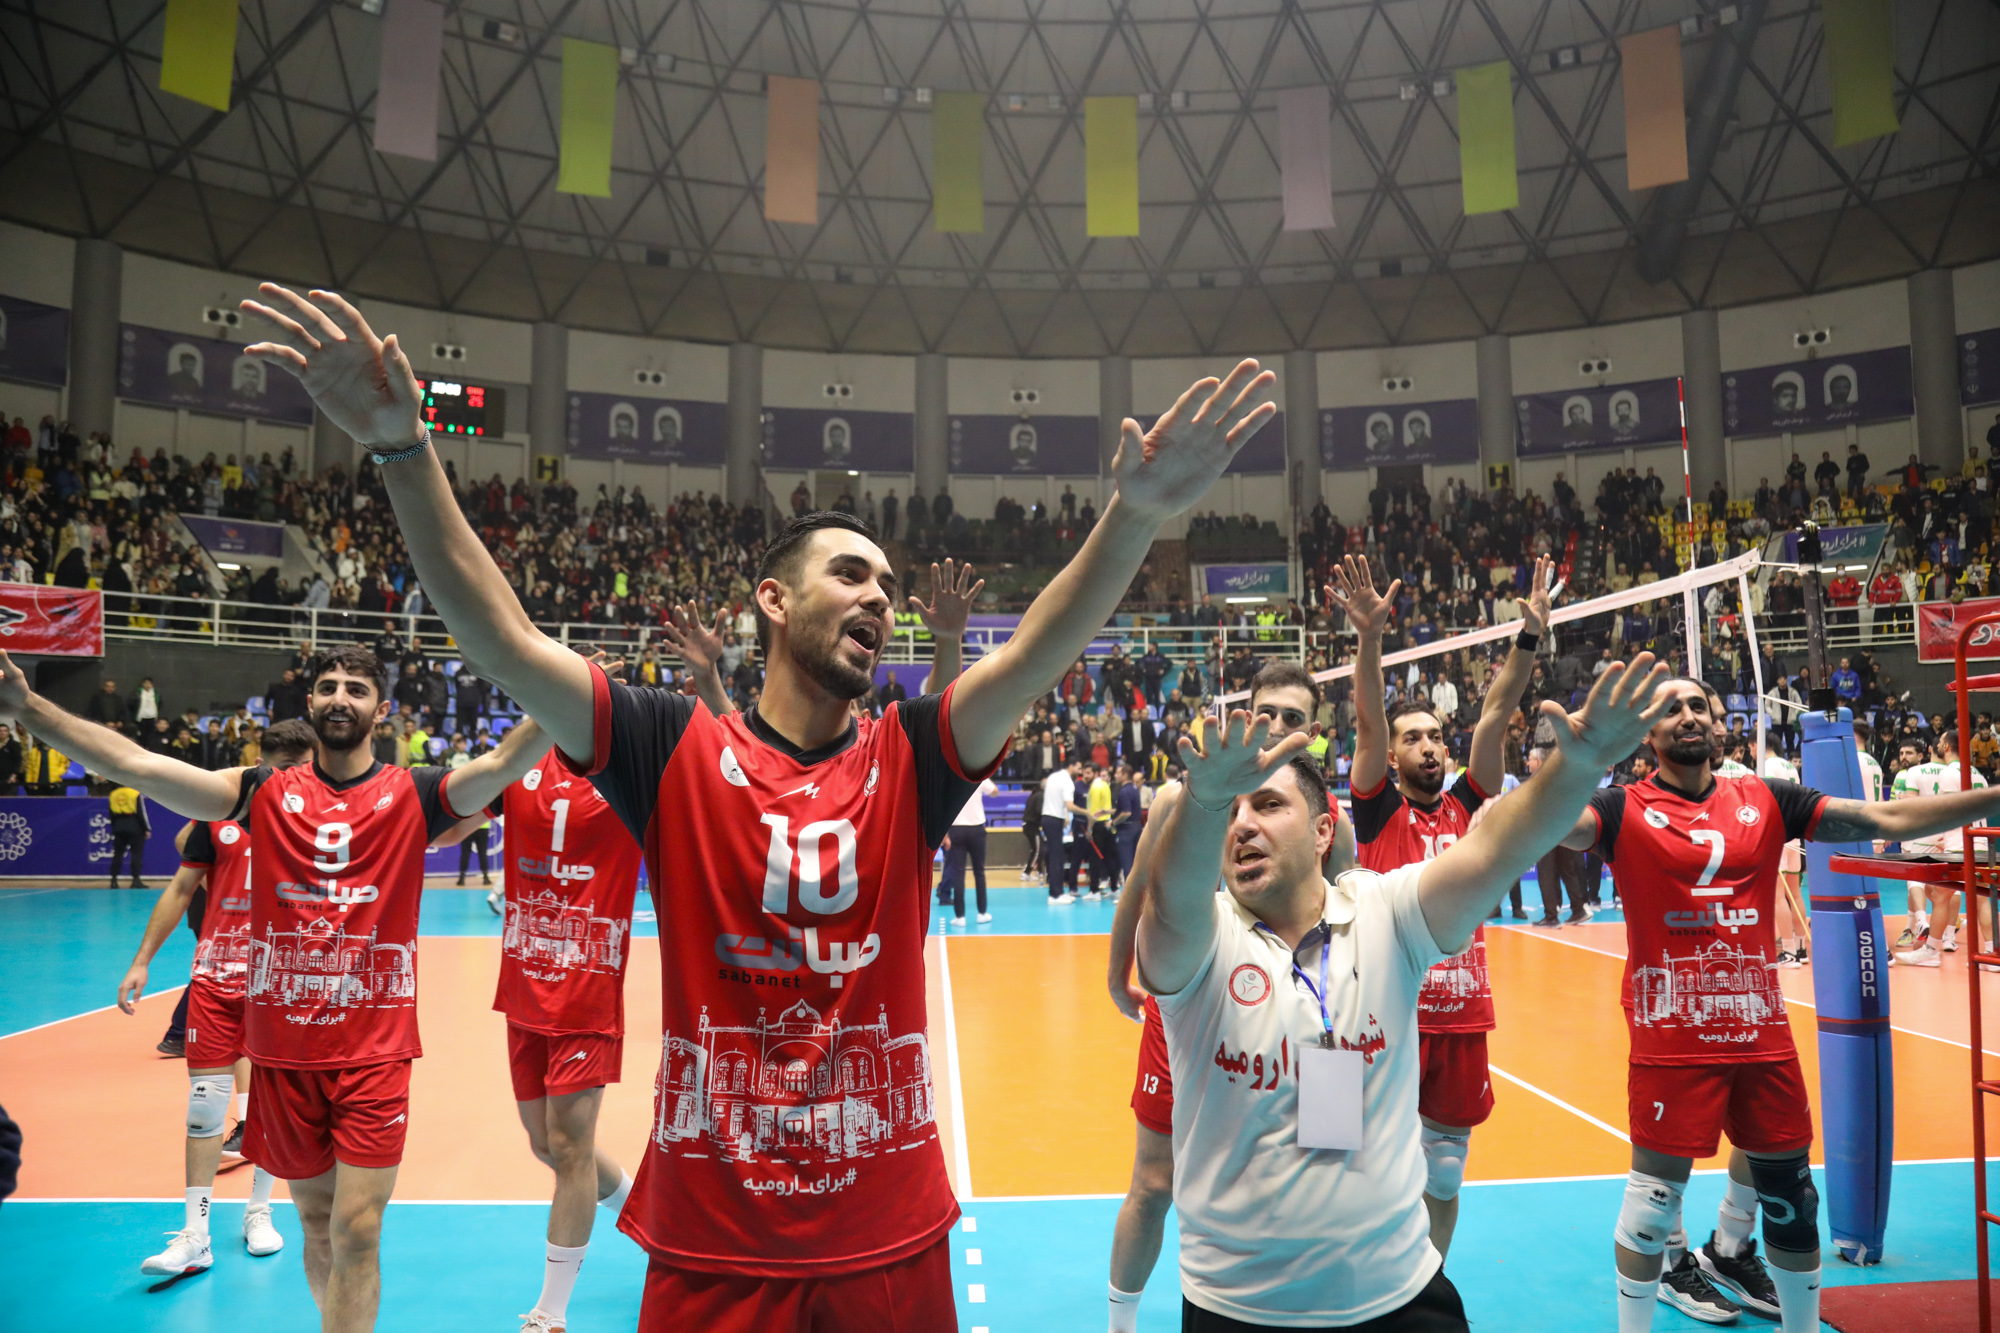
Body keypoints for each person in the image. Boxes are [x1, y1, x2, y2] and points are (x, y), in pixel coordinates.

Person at [237, 280, 1279, 1331]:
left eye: (887, 584)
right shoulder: (671, 747)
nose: (879, 596)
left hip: (887, 1237)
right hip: (712, 1245)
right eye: (850, 574)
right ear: (773, 600)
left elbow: (1035, 651)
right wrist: (403, 449)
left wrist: (1136, 515)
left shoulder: (909, 759)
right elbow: (500, 636)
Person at [0, 646, 551, 1333]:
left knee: (357, 1228)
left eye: (356, 689)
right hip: (285, 1054)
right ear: (311, 704)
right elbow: (136, 765)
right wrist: (28, 708)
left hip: (375, 1052)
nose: (341, 697)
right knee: (317, 1222)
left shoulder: (414, 792)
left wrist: (569, 691)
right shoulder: (261, 790)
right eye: (329, 687)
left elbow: (500, 764)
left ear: (382, 710)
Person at [1141, 655, 1674, 1330]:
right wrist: (1204, 800)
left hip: (1401, 1294)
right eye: (1231, 812)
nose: (1242, 824)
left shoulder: (1384, 910)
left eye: (1269, 805)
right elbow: (1172, 900)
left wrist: (1579, 766)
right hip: (1236, 1308)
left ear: (1324, 830)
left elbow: (1495, 848)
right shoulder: (1203, 941)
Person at [1553, 676, 2000, 1333]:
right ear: (1646, 733)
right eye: (1669, 709)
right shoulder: (1620, 808)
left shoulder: (1767, 798)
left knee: (1793, 1201)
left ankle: (1777, 1301)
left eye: (1698, 705)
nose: (1687, 716)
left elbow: (1884, 819)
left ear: (1719, 724)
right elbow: (1550, 827)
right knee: (1652, 1206)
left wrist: (1995, 797)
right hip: (1672, 1040)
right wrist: (1579, 760)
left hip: (1761, 1038)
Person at [1101, 660, 1356, 1332]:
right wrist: (1117, 973)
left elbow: (1353, 920)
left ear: (1315, 729)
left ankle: (1319, 1308)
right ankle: (1121, 1323)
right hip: (1200, 1002)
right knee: (1153, 1182)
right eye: (1269, 713)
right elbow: (1141, 888)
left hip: (1309, 1010)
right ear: (1248, 715)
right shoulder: (1183, 797)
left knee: (1329, 1162)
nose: (1280, 726)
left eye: (1295, 718)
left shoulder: (1331, 817)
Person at [1330, 551, 1558, 1259]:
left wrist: (1529, 636)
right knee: (1337, 1154)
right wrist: (1369, 637)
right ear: (1393, 757)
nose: (1428, 746)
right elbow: (1368, 722)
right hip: (1380, 1013)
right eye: (1413, 738)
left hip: (1461, 1016)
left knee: (1447, 1171)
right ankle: (1343, 1280)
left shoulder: (1465, 806)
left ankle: (1425, 1286)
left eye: (1434, 736)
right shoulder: (1377, 813)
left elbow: (1495, 715)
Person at [113, 718, 317, 1276]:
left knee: (268, 1107)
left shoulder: (321, 824)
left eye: (301, 768)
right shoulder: (218, 817)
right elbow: (182, 886)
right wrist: (141, 960)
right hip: (214, 978)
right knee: (204, 1106)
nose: (291, 779)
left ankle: (259, 1212)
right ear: (260, 765)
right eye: (280, 767)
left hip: (280, 983)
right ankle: (195, 1234)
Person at [478, 741, 647, 1333]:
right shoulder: (519, 763)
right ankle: (653, 1220)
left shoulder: (631, 771)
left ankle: (550, 1313)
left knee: (572, 1146)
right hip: (523, 988)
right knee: (545, 1143)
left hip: (586, 995)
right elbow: (456, 816)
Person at [1890, 729, 1987, 966]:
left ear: (1945, 747)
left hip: (1959, 845)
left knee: (1940, 895)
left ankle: (1931, 949)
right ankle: (1990, 951)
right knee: (1980, 897)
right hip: (1981, 842)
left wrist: (1943, 834)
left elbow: (1950, 810)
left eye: (1941, 741)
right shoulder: (1978, 774)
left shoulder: (1949, 773)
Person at [942, 776, 999, 925]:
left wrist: (945, 835)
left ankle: (960, 916)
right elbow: (995, 792)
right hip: (976, 830)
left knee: (958, 873)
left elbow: (944, 808)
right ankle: (982, 913)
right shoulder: (978, 777)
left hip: (956, 830)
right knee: (979, 872)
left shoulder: (950, 780)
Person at [106, 782, 151, 889]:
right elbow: (141, 812)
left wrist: (115, 827)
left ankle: (114, 881)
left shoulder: (113, 794)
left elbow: (111, 814)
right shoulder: (135, 793)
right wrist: (146, 828)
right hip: (134, 825)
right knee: (136, 854)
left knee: (117, 854)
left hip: (118, 826)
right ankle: (136, 880)